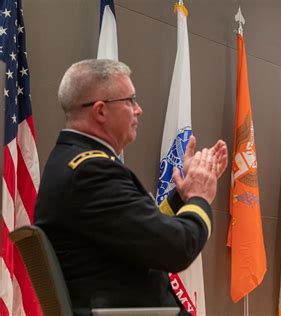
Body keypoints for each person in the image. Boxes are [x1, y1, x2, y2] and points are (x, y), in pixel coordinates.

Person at [34, 59, 228, 316]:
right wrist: (200, 197)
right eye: (130, 101)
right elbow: (176, 249)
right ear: (100, 111)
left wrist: (183, 196)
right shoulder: (91, 173)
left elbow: (146, 232)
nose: (139, 110)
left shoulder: (75, 162)